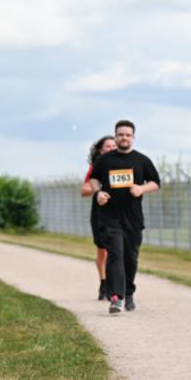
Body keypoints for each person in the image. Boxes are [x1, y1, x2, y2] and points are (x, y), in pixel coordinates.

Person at [88, 120, 160, 314]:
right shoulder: (105, 160)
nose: (124, 138)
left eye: (127, 135)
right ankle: (116, 297)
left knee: (130, 258)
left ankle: (128, 292)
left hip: (133, 219)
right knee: (115, 254)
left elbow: (156, 182)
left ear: (133, 137)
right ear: (116, 136)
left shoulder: (141, 160)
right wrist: (98, 193)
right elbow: (93, 179)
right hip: (110, 217)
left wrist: (142, 188)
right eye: (120, 134)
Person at [82, 135, 117, 300]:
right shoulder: (95, 168)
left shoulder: (124, 165)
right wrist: (99, 189)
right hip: (100, 211)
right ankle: (104, 282)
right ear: (101, 150)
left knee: (117, 248)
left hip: (119, 211)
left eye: (113, 146)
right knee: (102, 250)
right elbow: (84, 190)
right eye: (108, 146)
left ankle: (115, 285)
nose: (111, 148)